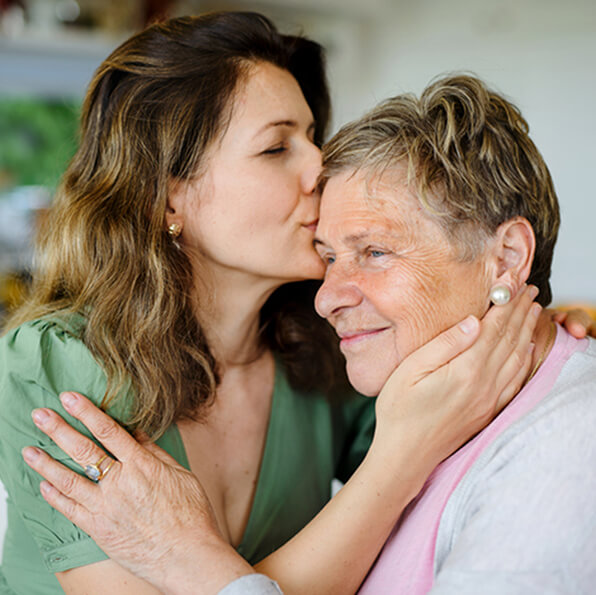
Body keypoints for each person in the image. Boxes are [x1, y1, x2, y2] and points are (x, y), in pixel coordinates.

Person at [0, 12, 555, 595]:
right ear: (169, 198)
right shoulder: (57, 364)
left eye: (313, 137)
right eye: (276, 147)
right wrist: (401, 455)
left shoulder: (330, 353)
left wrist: (535, 322)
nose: (321, 168)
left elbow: (477, 406)